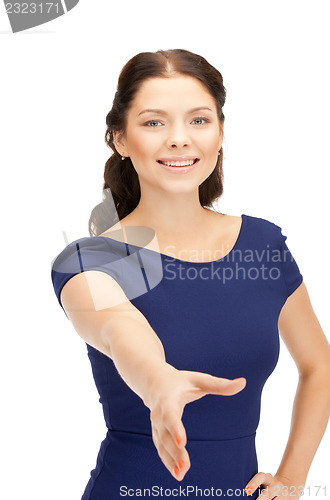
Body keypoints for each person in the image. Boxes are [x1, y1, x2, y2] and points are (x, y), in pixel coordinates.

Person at [51, 49, 330, 500]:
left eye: (198, 120)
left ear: (221, 132)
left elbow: (320, 365)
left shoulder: (262, 246)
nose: (179, 139)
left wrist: (293, 478)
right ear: (120, 138)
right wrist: (159, 382)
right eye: (154, 122)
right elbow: (120, 331)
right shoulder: (90, 260)